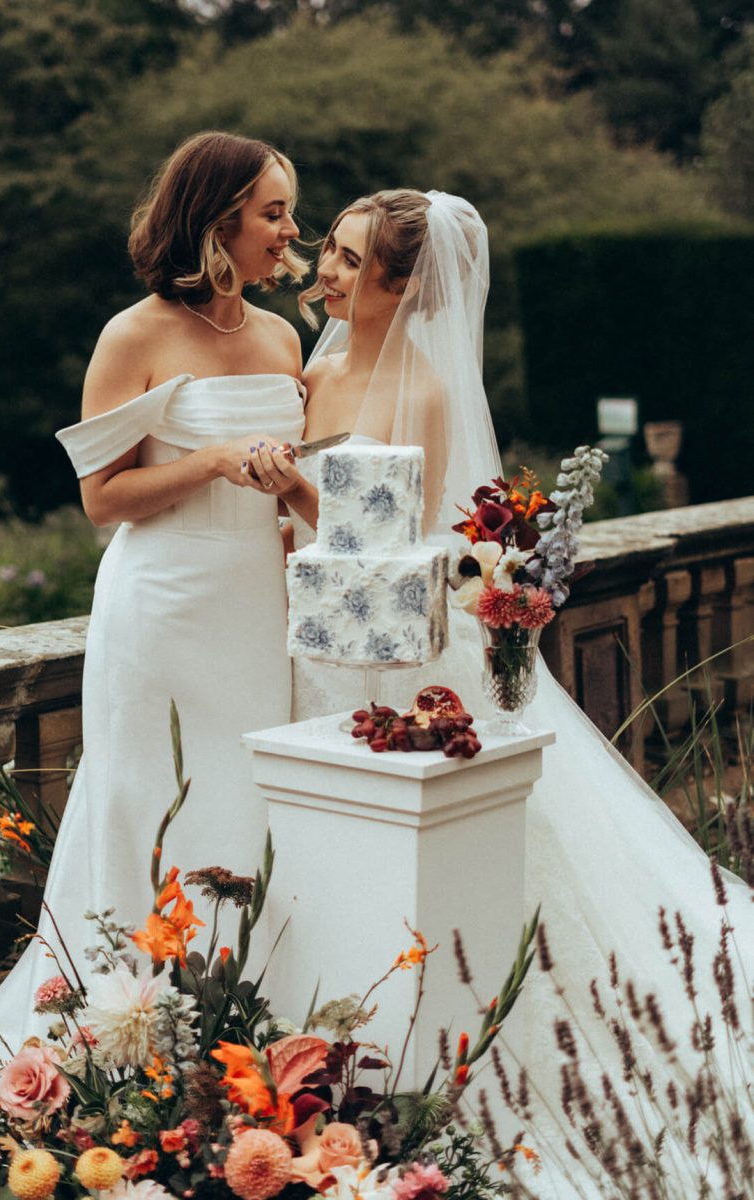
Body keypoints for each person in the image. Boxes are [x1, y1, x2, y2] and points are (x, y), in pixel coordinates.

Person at [243, 189, 754, 1196]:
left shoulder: (424, 389)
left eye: (348, 262)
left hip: (402, 654)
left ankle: (484, 1028)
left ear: (402, 287)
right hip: (317, 634)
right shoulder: (315, 362)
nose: (325, 272)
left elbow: (396, 544)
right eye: (329, 253)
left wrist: (293, 493)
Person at [0, 130, 308, 1196]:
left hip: (258, 603)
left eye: (290, 212)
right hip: (162, 605)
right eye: (274, 211)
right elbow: (102, 501)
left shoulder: (289, 340)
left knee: (252, 808)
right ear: (216, 223)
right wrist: (206, 461)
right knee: (146, 809)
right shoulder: (134, 333)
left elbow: (302, 486)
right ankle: (121, 1055)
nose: (291, 230)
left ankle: (258, 1053)